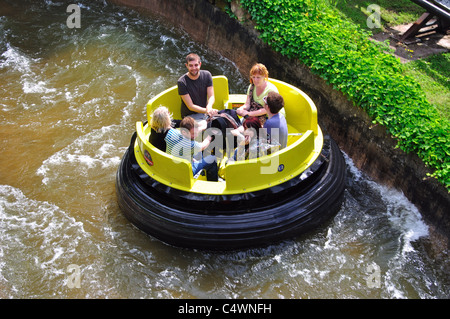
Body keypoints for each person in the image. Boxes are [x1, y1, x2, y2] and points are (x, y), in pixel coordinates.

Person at [165, 115, 218, 181]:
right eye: (192, 133)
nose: (195, 135)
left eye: (196, 132)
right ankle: (212, 183)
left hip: (171, 167)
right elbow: (203, 146)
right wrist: (209, 136)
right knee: (212, 158)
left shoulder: (171, 133)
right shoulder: (191, 145)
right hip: (185, 173)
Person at [177, 53, 218, 130]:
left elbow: (211, 96)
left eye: (196, 65)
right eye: (191, 65)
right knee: (210, 127)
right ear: (186, 66)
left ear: (200, 64)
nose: (194, 68)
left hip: (205, 112)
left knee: (221, 122)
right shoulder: (182, 82)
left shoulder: (207, 75)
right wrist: (208, 110)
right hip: (190, 116)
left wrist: (209, 107)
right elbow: (190, 106)